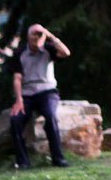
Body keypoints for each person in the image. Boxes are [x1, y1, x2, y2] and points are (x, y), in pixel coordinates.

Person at [6, 24, 72, 169]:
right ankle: (23, 161)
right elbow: (17, 79)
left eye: (39, 35)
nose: (36, 37)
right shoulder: (20, 52)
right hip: (27, 94)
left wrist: (50, 35)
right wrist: (18, 99)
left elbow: (66, 53)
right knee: (15, 120)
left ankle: (58, 158)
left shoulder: (48, 49)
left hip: (47, 92)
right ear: (28, 36)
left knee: (50, 116)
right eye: (33, 34)